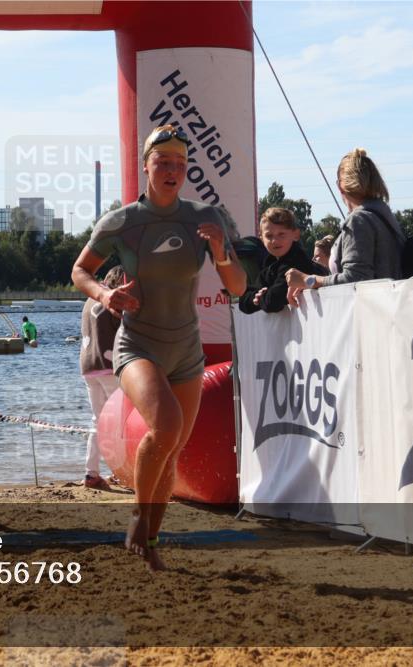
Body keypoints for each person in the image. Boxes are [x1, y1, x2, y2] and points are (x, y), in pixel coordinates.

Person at [71, 124, 246, 570]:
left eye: (180, 164)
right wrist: (106, 295)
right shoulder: (123, 221)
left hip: (186, 351)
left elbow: (238, 287)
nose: (172, 170)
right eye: (163, 162)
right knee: (164, 427)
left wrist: (221, 251)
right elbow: (79, 271)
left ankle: (149, 542)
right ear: (146, 166)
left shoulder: (203, 217)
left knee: (170, 448)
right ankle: (138, 516)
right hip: (138, 345)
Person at [286, 148, 404, 299]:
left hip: (368, 315)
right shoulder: (385, 216)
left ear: (340, 186)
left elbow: (355, 279)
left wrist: (308, 280)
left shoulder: (358, 220)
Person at [80, 264, 126, 491]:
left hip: (89, 365)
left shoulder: (90, 299)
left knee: (98, 421)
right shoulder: (113, 300)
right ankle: (122, 471)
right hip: (109, 365)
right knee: (120, 422)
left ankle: (91, 473)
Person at [239, 208, 327, 314]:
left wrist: (260, 297)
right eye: (269, 236)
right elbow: (243, 301)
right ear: (261, 239)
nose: (275, 241)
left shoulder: (298, 263)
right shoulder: (270, 266)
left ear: (296, 235)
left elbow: (273, 301)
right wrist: (255, 298)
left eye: (281, 234)